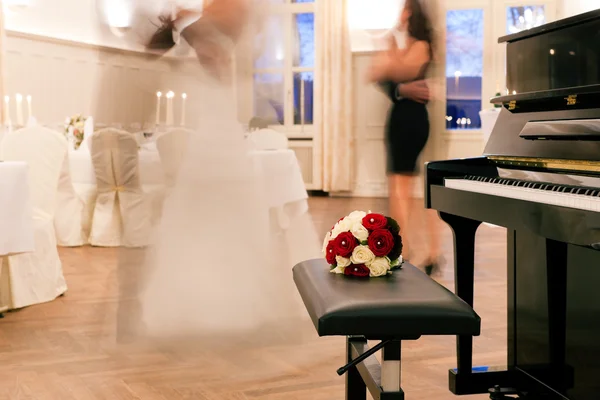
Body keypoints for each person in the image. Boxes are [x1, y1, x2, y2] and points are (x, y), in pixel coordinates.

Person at [114, 0, 322, 350]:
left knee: (223, 215)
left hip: (219, 131)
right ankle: (208, 303)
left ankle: (222, 302)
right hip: (214, 134)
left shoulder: (208, 30)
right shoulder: (207, 31)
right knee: (211, 215)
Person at [367, 0, 441, 275]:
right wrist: (399, 84)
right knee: (398, 185)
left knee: (405, 186)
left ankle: (416, 249)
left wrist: (390, 56)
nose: (398, 14)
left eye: (402, 8)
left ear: (410, 13)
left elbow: (396, 72)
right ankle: (408, 248)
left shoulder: (421, 44)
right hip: (398, 119)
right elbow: (377, 74)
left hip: (413, 121)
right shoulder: (404, 45)